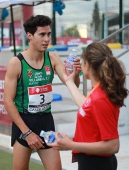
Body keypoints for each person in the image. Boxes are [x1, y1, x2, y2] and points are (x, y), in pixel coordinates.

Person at [4, 15, 81, 170]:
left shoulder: (52, 58)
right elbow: (7, 101)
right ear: (29, 36)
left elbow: (71, 84)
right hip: (24, 123)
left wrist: (75, 74)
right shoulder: (16, 63)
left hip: (46, 121)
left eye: (48, 34)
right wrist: (27, 133)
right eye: (42, 34)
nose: (47, 39)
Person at [48, 42, 129, 170]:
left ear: (87, 65)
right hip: (95, 161)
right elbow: (86, 106)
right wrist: (69, 80)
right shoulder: (99, 89)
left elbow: (113, 145)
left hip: (96, 163)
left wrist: (72, 145)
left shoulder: (100, 98)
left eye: (82, 61)